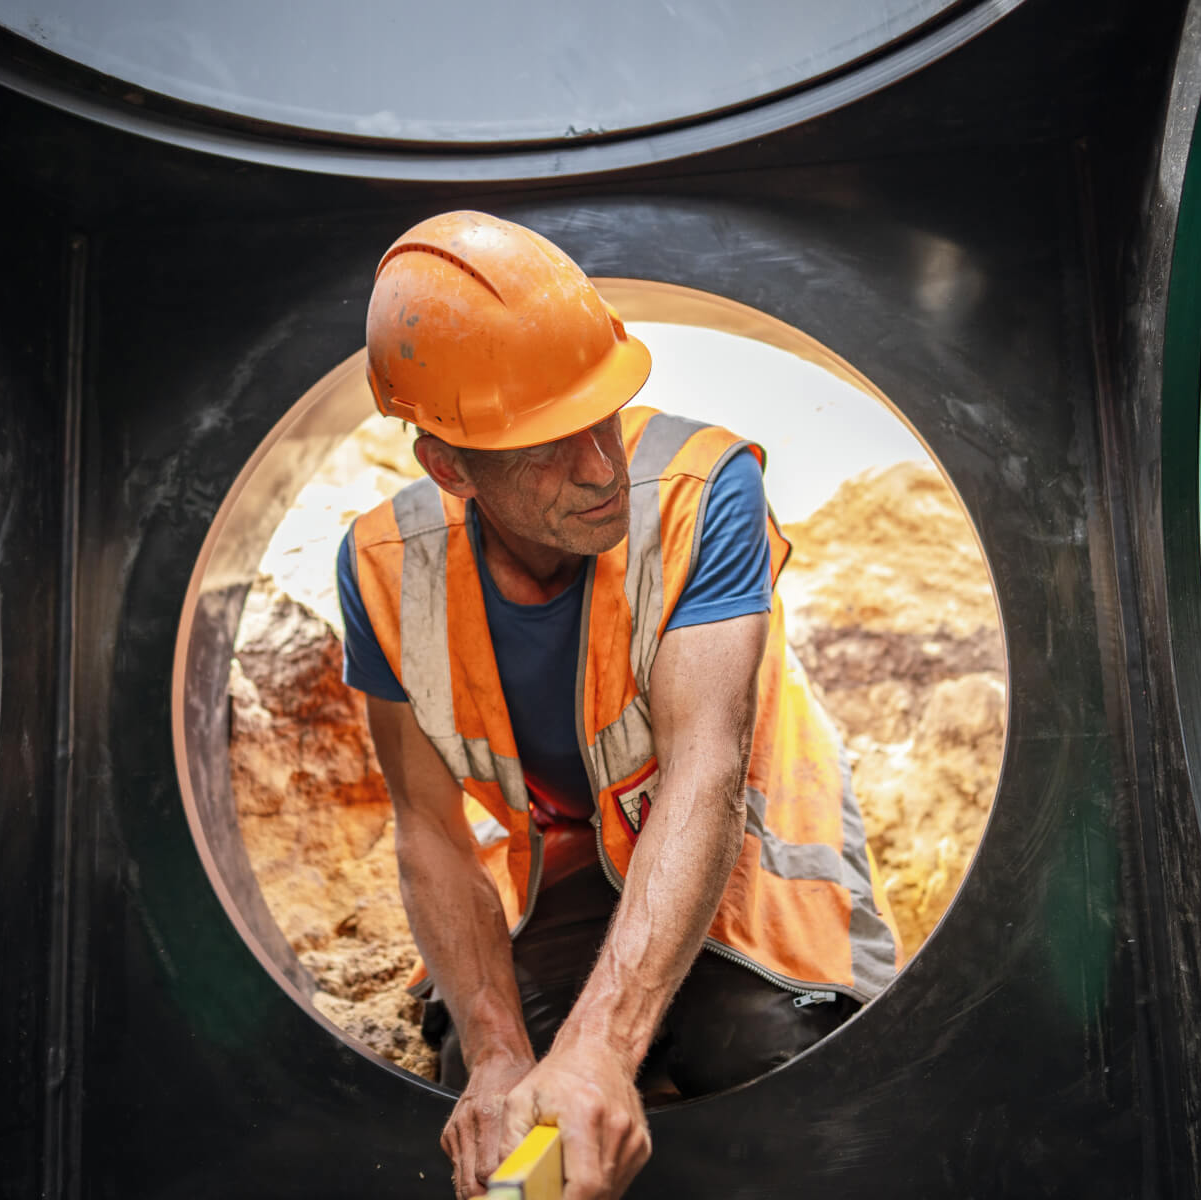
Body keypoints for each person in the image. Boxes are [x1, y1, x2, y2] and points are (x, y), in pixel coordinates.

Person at [335, 211, 898, 1200]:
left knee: (773, 1064)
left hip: (745, 844)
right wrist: (503, 1050)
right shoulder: (383, 568)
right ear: (451, 469)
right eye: (547, 448)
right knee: (491, 1107)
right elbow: (429, 830)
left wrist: (601, 1047)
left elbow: (703, 769)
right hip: (567, 861)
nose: (602, 469)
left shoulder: (702, 487)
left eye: (604, 416)